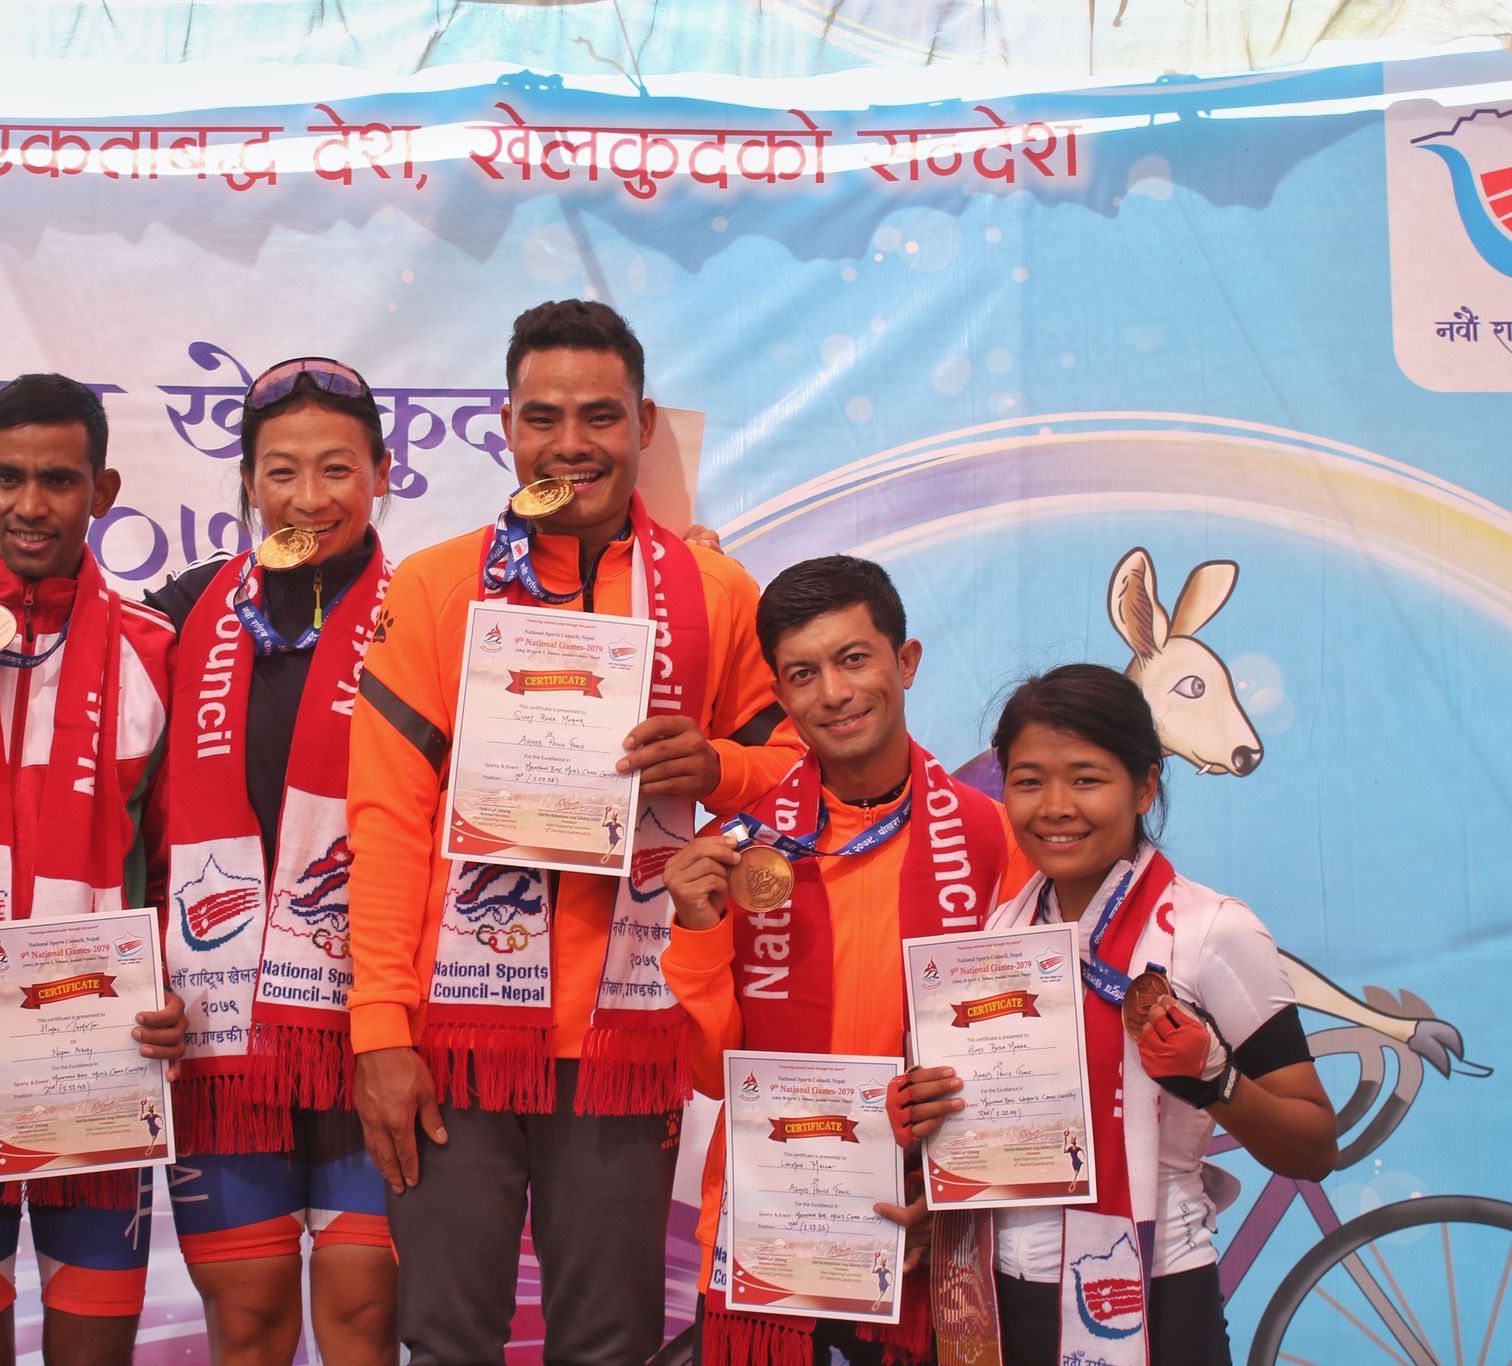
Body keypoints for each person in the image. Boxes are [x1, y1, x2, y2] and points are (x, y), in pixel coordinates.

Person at [345, 299, 802, 1363]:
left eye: (599, 415)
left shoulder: (715, 590)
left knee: (609, 1344)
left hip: (624, 1037)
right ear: (505, 424)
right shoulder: (436, 584)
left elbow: (797, 778)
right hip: (453, 1041)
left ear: (644, 423)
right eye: (542, 417)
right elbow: (388, 820)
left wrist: (720, 765)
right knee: (444, 1341)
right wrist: (379, 1031)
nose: (570, 444)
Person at [892, 663, 1337, 1366]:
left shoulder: (1210, 931)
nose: (1055, 807)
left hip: (1158, 1295)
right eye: (1029, 781)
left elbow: (1314, 1147)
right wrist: (930, 1129)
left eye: (1086, 779)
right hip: (1000, 1303)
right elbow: (994, 1138)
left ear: (1146, 786)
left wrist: (1217, 1081)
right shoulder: (997, 935)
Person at [660, 554, 1033, 1366]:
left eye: (854, 659)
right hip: (775, 1224)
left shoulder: (994, 839)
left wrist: (959, 1190)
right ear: (781, 694)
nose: (833, 693)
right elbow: (711, 1074)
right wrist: (695, 927)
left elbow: (1021, 1066)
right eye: (803, 674)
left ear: (906, 661)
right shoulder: (738, 853)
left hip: (928, 1227)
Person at [0, 373, 187, 1365]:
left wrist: (179, 990)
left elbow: (179, 862)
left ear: (102, 490)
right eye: (10, 478)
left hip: (99, 1058)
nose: (32, 505)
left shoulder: (156, 650)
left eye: (60, 480)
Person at [143, 356, 399, 1364]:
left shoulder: (426, 607)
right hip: (220, 1032)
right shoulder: (178, 610)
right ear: (247, 481)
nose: (307, 497)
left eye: (336, 469)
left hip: (372, 1024)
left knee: (364, 1315)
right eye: (280, 471)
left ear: (381, 473)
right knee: (245, 1321)